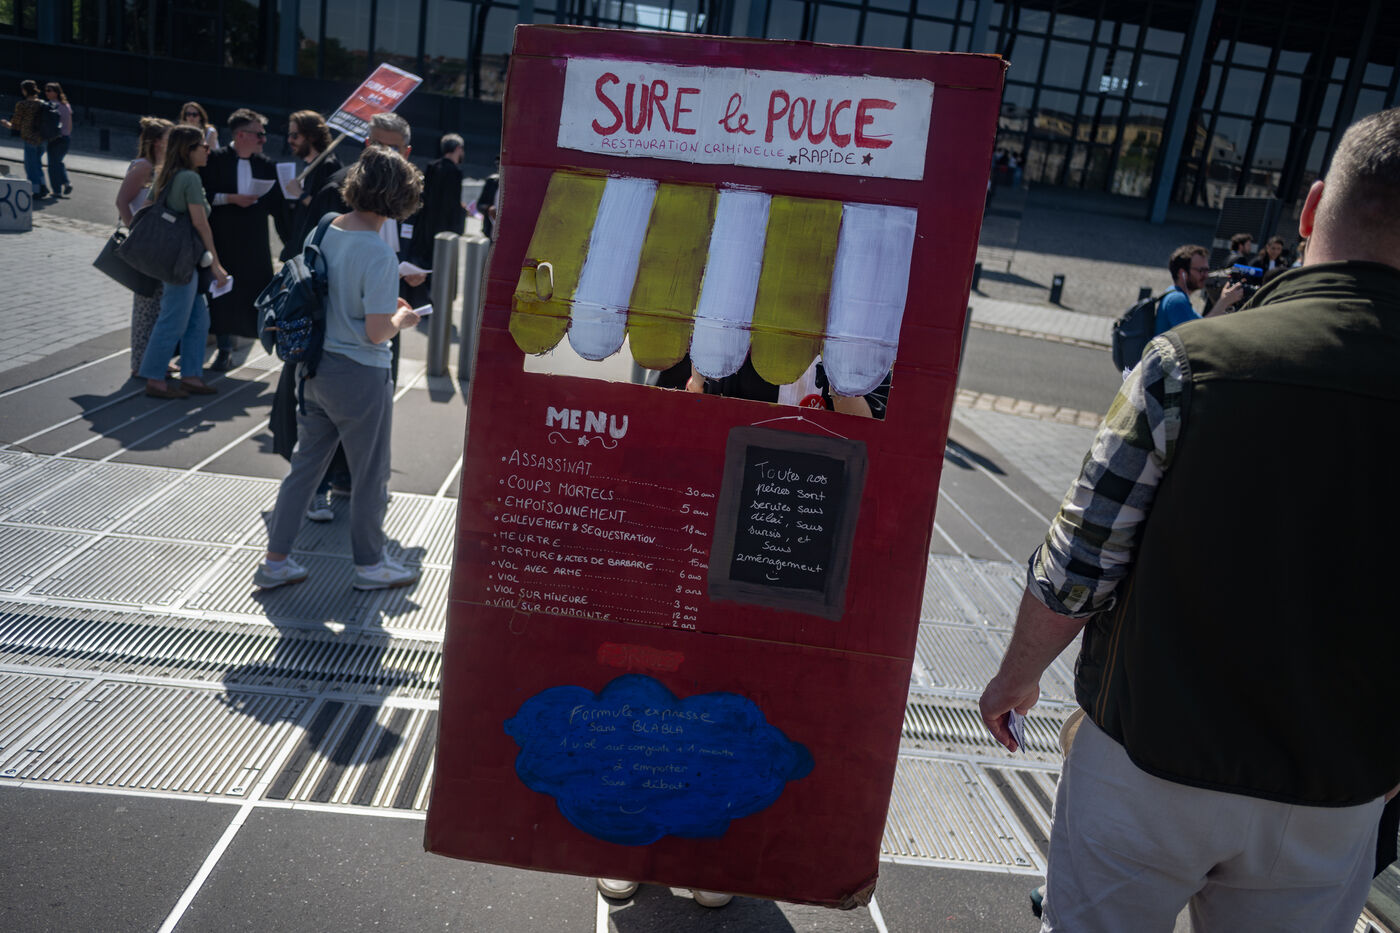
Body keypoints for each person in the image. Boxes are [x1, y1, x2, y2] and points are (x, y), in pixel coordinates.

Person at [978, 106, 1400, 933]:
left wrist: (1016, 675)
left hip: (1149, 756)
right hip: (1334, 786)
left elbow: (1081, 559)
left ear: (1312, 208)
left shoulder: (1191, 362)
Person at [254, 146, 424, 592]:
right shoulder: (380, 254)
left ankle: (275, 561)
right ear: (399, 196)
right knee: (370, 475)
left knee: (305, 468)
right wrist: (403, 318)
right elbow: (376, 331)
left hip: (315, 367)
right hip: (360, 376)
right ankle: (370, 566)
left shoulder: (327, 227)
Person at [136, 125, 229, 399]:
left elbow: (146, 210)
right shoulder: (189, 178)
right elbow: (201, 224)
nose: (208, 150)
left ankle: (191, 376)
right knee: (174, 320)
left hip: (175, 258)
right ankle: (154, 379)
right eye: (203, 146)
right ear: (188, 150)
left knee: (198, 320)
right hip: (183, 260)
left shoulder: (167, 174)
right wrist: (216, 264)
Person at [201, 108, 282, 372]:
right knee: (221, 295)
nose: (263, 139)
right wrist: (231, 198)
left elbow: (279, 206)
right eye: (259, 134)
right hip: (222, 239)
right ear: (241, 135)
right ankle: (224, 349)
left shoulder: (266, 165)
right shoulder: (215, 160)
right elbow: (201, 195)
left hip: (253, 242)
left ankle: (261, 340)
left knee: (254, 293)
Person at [116, 115, 175, 378]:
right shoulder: (143, 166)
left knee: (158, 305)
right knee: (145, 306)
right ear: (156, 142)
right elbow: (122, 201)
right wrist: (135, 234)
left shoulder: (162, 166)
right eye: (169, 138)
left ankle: (156, 360)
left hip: (158, 246)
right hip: (145, 247)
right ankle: (140, 364)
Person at [279, 109, 341, 261]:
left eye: (295, 135)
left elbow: (327, 211)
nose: (290, 140)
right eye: (289, 135)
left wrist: (301, 194)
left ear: (312, 136)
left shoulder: (328, 166)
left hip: (314, 252)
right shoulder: (310, 164)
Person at [406, 132, 467, 268]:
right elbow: (451, 203)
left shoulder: (432, 167)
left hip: (426, 222)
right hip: (444, 224)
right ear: (458, 148)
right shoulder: (455, 172)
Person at [1154, 244, 1244, 335]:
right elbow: (1197, 333)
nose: (1206, 275)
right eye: (1201, 270)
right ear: (1182, 273)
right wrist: (1224, 301)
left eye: (1207, 270)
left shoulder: (1175, 295)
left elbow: (1201, 323)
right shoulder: (1176, 300)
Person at [2, 79, 48, 198]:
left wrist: (6, 123)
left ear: (24, 90)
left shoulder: (22, 105)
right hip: (42, 138)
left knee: (30, 166)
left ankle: (35, 190)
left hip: (29, 138)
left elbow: (15, 125)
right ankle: (43, 186)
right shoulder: (42, 103)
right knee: (37, 164)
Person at [43, 82, 73, 197]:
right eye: (46, 90)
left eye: (49, 90)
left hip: (55, 138)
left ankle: (57, 191)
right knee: (58, 162)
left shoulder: (51, 105)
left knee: (53, 166)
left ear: (56, 92)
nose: (46, 93)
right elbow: (70, 123)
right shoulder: (66, 105)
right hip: (66, 138)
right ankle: (66, 182)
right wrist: (67, 133)